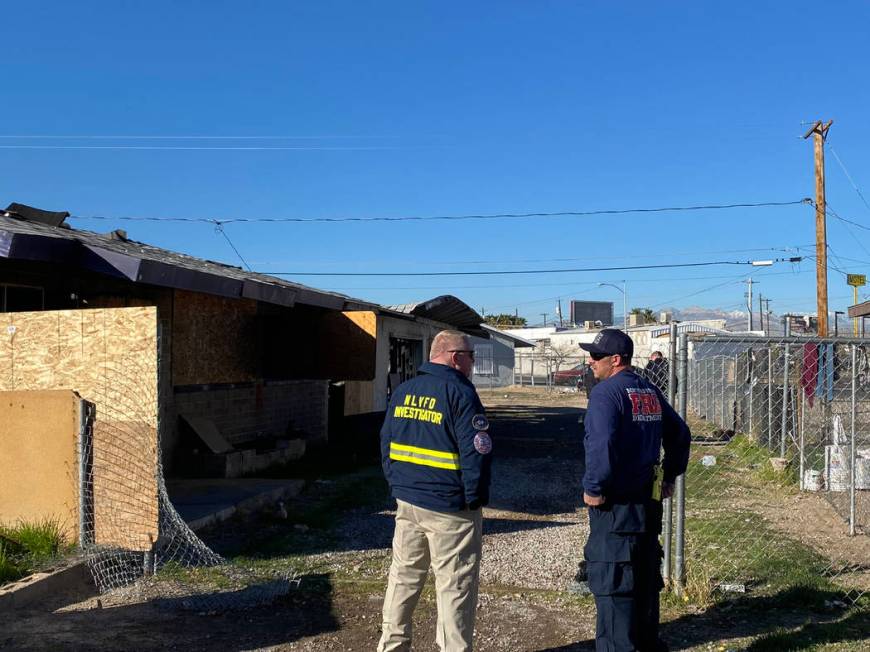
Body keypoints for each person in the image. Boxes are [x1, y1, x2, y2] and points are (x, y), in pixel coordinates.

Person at [378, 330, 493, 652]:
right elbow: (477, 452)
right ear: (456, 357)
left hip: (408, 501)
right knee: (455, 587)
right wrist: (474, 499)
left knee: (403, 580)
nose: (473, 363)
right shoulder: (460, 392)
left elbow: (386, 443)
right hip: (449, 508)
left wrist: (397, 485)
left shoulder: (404, 390)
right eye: (471, 356)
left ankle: (392, 646)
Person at [580, 329, 691, 651]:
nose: (591, 362)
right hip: (646, 502)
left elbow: (601, 444)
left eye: (596, 356)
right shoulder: (648, 390)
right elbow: (679, 434)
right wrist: (670, 475)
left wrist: (594, 486)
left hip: (616, 505)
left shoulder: (606, 394)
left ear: (615, 360)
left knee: (614, 583)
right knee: (642, 581)